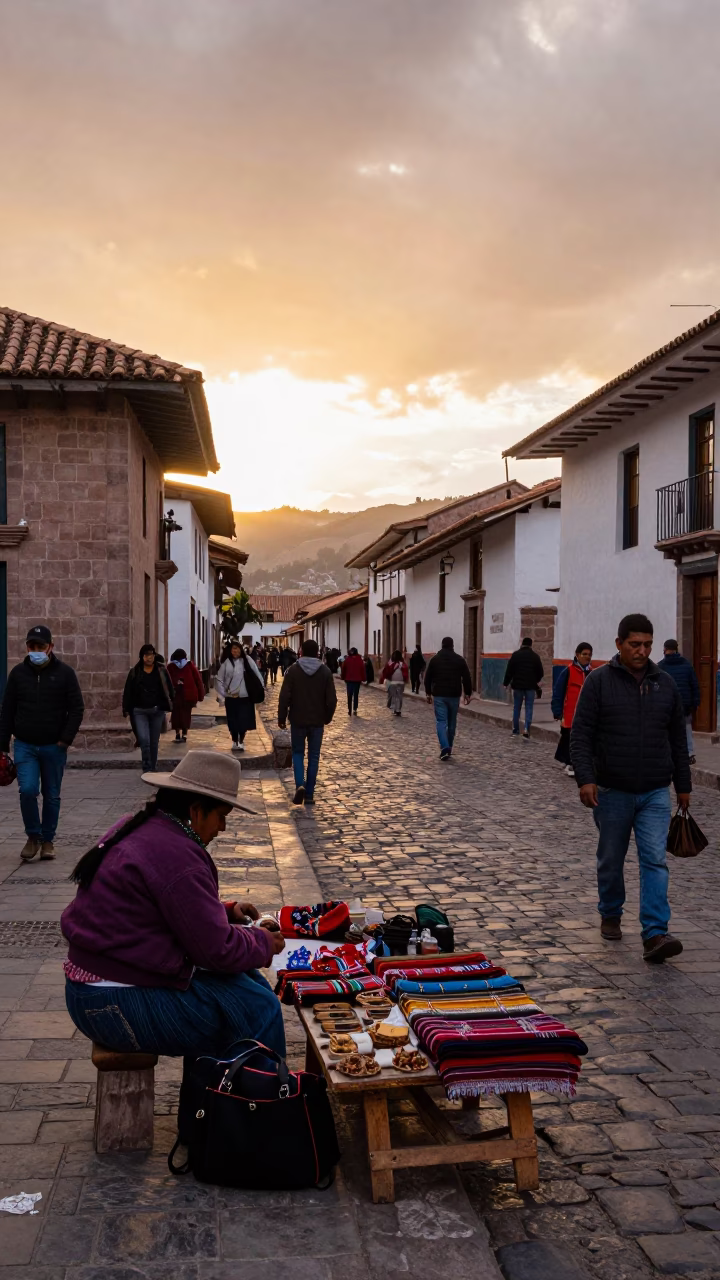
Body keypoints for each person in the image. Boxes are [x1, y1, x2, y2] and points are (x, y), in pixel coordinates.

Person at [61, 750, 286, 1058]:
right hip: (113, 1003)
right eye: (221, 817)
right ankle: (259, 1100)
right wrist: (262, 942)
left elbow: (167, 910)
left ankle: (211, 1099)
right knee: (260, 1009)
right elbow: (215, 950)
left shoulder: (143, 827)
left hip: (93, 993)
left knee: (248, 982)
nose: (222, 828)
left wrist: (223, 912)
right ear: (196, 811)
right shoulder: (178, 854)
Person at [570, 613, 691, 964]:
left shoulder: (665, 684)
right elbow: (581, 735)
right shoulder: (599, 683)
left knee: (654, 859)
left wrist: (683, 786)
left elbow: (677, 741)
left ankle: (655, 932)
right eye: (635, 644)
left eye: (647, 645)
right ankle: (610, 911)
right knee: (611, 859)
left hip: (655, 790)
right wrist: (586, 778)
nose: (642, 651)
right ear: (619, 643)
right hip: (611, 790)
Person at [0, 624, 85, 861]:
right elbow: (7, 710)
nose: (35, 650)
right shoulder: (17, 674)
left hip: (53, 746)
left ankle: (48, 840)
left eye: (40, 646)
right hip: (25, 744)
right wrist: (3, 743)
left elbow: (77, 708)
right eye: (31, 646)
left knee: (52, 794)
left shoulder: (65, 674)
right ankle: (33, 835)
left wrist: (64, 740)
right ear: (27, 647)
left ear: (50, 647)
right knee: (27, 790)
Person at [278, 638, 337, 806]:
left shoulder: (293, 671)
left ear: (301, 651)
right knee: (314, 756)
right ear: (317, 652)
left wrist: (282, 717)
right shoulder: (325, 672)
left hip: (297, 719)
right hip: (317, 721)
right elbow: (332, 700)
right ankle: (309, 794)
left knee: (298, 753)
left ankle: (299, 785)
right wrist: (328, 717)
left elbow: (284, 697)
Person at [122, 644, 174, 774]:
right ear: (142, 657)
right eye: (146, 655)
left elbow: (169, 687)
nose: (149, 658)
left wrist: (171, 702)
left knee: (154, 741)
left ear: (154, 655)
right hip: (139, 711)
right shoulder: (135, 672)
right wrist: (126, 708)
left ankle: (153, 767)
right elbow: (128, 691)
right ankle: (146, 767)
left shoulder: (161, 670)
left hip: (157, 711)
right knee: (144, 740)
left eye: (151, 655)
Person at [424, 637, 472, 760]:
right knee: (452, 723)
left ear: (442, 645)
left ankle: (445, 747)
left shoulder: (435, 660)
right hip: (454, 695)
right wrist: (468, 693)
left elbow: (427, 677)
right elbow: (466, 677)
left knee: (441, 721)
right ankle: (448, 747)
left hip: (439, 695)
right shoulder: (459, 660)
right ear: (452, 646)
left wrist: (428, 693)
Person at [551, 642, 593, 777]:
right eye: (584, 654)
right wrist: (557, 711)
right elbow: (559, 692)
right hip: (569, 713)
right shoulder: (568, 672)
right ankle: (570, 763)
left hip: (585, 714)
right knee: (569, 737)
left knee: (578, 739)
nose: (587, 657)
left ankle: (567, 759)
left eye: (589, 655)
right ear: (577, 655)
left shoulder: (591, 674)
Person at [658, 639, 701, 765]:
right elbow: (694, 685)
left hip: (667, 704)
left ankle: (668, 752)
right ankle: (689, 753)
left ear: (665, 649)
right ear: (677, 649)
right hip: (684, 704)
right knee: (686, 729)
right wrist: (695, 703)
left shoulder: (660, 666)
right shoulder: (686, 665)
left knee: (667, 729)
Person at [215, 641, 263, 752]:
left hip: (245, 697)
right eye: (233, 649)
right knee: (232, 721)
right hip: (231, 697)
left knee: (243, 721)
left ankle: (241, 741)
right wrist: (222, 694)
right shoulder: (226, 663)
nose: (235, 651)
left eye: (236, 648)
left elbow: (256, 674)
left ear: (241, 649)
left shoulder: (248, 661)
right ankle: (234, 741)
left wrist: (260, 688)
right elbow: (219, 679)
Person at [503, 637, 544, 738]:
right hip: (530, 686)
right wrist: (536, 680)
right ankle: (526, 729)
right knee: (529, 707)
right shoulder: (535, 657)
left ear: (522, 644)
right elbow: (540, 672)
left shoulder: (515, 655)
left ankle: (515, 729)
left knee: (517, 707)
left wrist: (506, 683)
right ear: (531, 645)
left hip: (517, 686)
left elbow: (509, 670)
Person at [167, 649, 205, 744]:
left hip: (175, 695)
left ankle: (177, 734)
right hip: (188, 695)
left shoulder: (170, 667)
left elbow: (167, 681)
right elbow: (198, 680)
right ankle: (184, 734)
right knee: (186, 715)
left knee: (176, 715)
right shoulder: (190, 665)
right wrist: (200, 695)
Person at [380, 650, 409, 717]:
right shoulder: (403, 664)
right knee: (399, 696)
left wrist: (383, 679)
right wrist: (406, 680)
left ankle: (394, 708)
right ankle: (398, 710)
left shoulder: (390, 663)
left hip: (393, 682)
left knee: (393, 696)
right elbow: (406, 672)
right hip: (401, 682)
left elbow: (386, 671)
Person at [341, 647, 366, 716]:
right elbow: (362, 670)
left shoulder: (347, 660)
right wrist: (363, 678)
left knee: (349, 695)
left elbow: (344, 670)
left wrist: (343, 677)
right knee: (356, 694)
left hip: (349, 680)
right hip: (357, 680)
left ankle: (349, 709)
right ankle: (355, 708)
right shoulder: (360, 660)